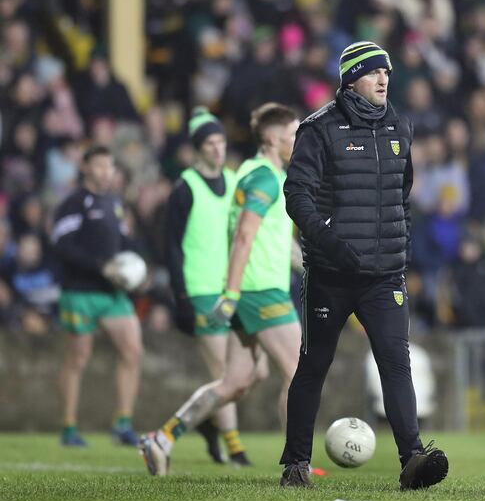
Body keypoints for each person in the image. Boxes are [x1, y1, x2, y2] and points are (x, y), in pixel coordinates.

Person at [278, 41, 448, 489]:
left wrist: (402, 242)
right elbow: (297, 195)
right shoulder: (318, 128)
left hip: (384, 275)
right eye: (374, 72)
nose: (383, 79)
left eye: (387, 72)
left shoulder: (399, 126)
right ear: (352, 77)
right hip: (331, 274)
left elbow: (401, 196)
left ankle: (412, 459)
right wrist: (327, 242)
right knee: (314, 364)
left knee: (396, 362)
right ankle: (295, 463)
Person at [139, 103, 302, 476]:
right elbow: (243, 236)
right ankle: (297, 463)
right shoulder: (264, 178)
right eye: (294, 135)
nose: (299, 141)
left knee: (234, 382)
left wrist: (308, 267)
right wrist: (230, 293)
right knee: (299, 371)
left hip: (253, 288)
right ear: (274, 139)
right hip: (261, 290)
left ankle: (161, 439)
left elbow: (268, 238)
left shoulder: (252, 173)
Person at [163, 107, 256, 466]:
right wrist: (181, 295)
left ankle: (203, 419)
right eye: (210, 143)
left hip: (232, 288)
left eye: (221, 142)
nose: (218, 149)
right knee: (223, 371)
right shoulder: (184, 188)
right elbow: (171, 245)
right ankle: (235, 448)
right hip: (201, 289)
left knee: (253, 371)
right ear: (198, 148)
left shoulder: (234, 182)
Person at [52, 145, 143, 447]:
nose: (107, 171)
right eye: (101, 165)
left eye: (110, 166)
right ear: (86, 168)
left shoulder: (114, 203)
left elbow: (123, 241)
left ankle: (123, 423)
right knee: (78, 358)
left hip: (113, 292)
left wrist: (139, 265)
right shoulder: (73, 203)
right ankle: (68, 427)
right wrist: (99, 266)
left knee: (132, 351)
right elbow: (61, 245)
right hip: (80, 291)